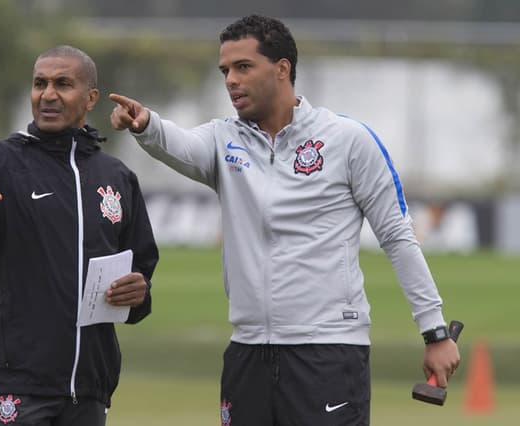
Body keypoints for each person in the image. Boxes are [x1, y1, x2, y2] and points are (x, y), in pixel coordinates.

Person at [109, 15, 460, 426]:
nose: (230, 81)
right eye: (225, 70)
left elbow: (398, 237)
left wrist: (434, 332)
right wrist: (145, 123)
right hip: (248, 352)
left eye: (243, 67)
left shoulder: (348, 140)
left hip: (328, 352)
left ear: (282, 69)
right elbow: (179, 143)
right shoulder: (224, 140)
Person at [0, 45, 158, 426]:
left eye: (63, 83)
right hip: (15, 385)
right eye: (39, 83)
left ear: (90, 97)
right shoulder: (0, 160)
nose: (47, 94)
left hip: (89, 387)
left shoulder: (116, 177)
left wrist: (139, 293)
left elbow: (141, 269)